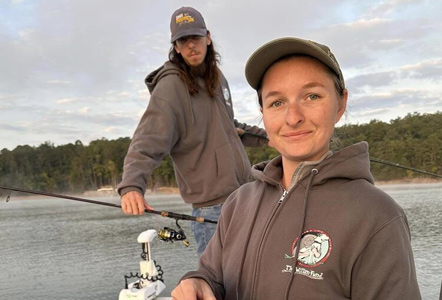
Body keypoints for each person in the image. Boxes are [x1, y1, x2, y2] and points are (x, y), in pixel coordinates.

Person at [171, 37, 421, 299]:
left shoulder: (378, 216)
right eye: (277, 102)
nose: (293, 118)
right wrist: (198, 281)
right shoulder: (238, 203)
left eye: (312, 96)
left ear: (340, 103)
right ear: (263, 113)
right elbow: (212, 275)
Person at [117, 6, 267, 256]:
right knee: (219, 285)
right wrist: (132, 185)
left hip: (244, 194)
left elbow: (230, 126)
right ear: (175, 47)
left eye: (195, 38)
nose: (191, 46)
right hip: (212, 208)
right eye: (182, 41)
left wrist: (269, 137)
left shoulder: (217, 79)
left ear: (207, 37)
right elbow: (148, 139)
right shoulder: (170, 87)